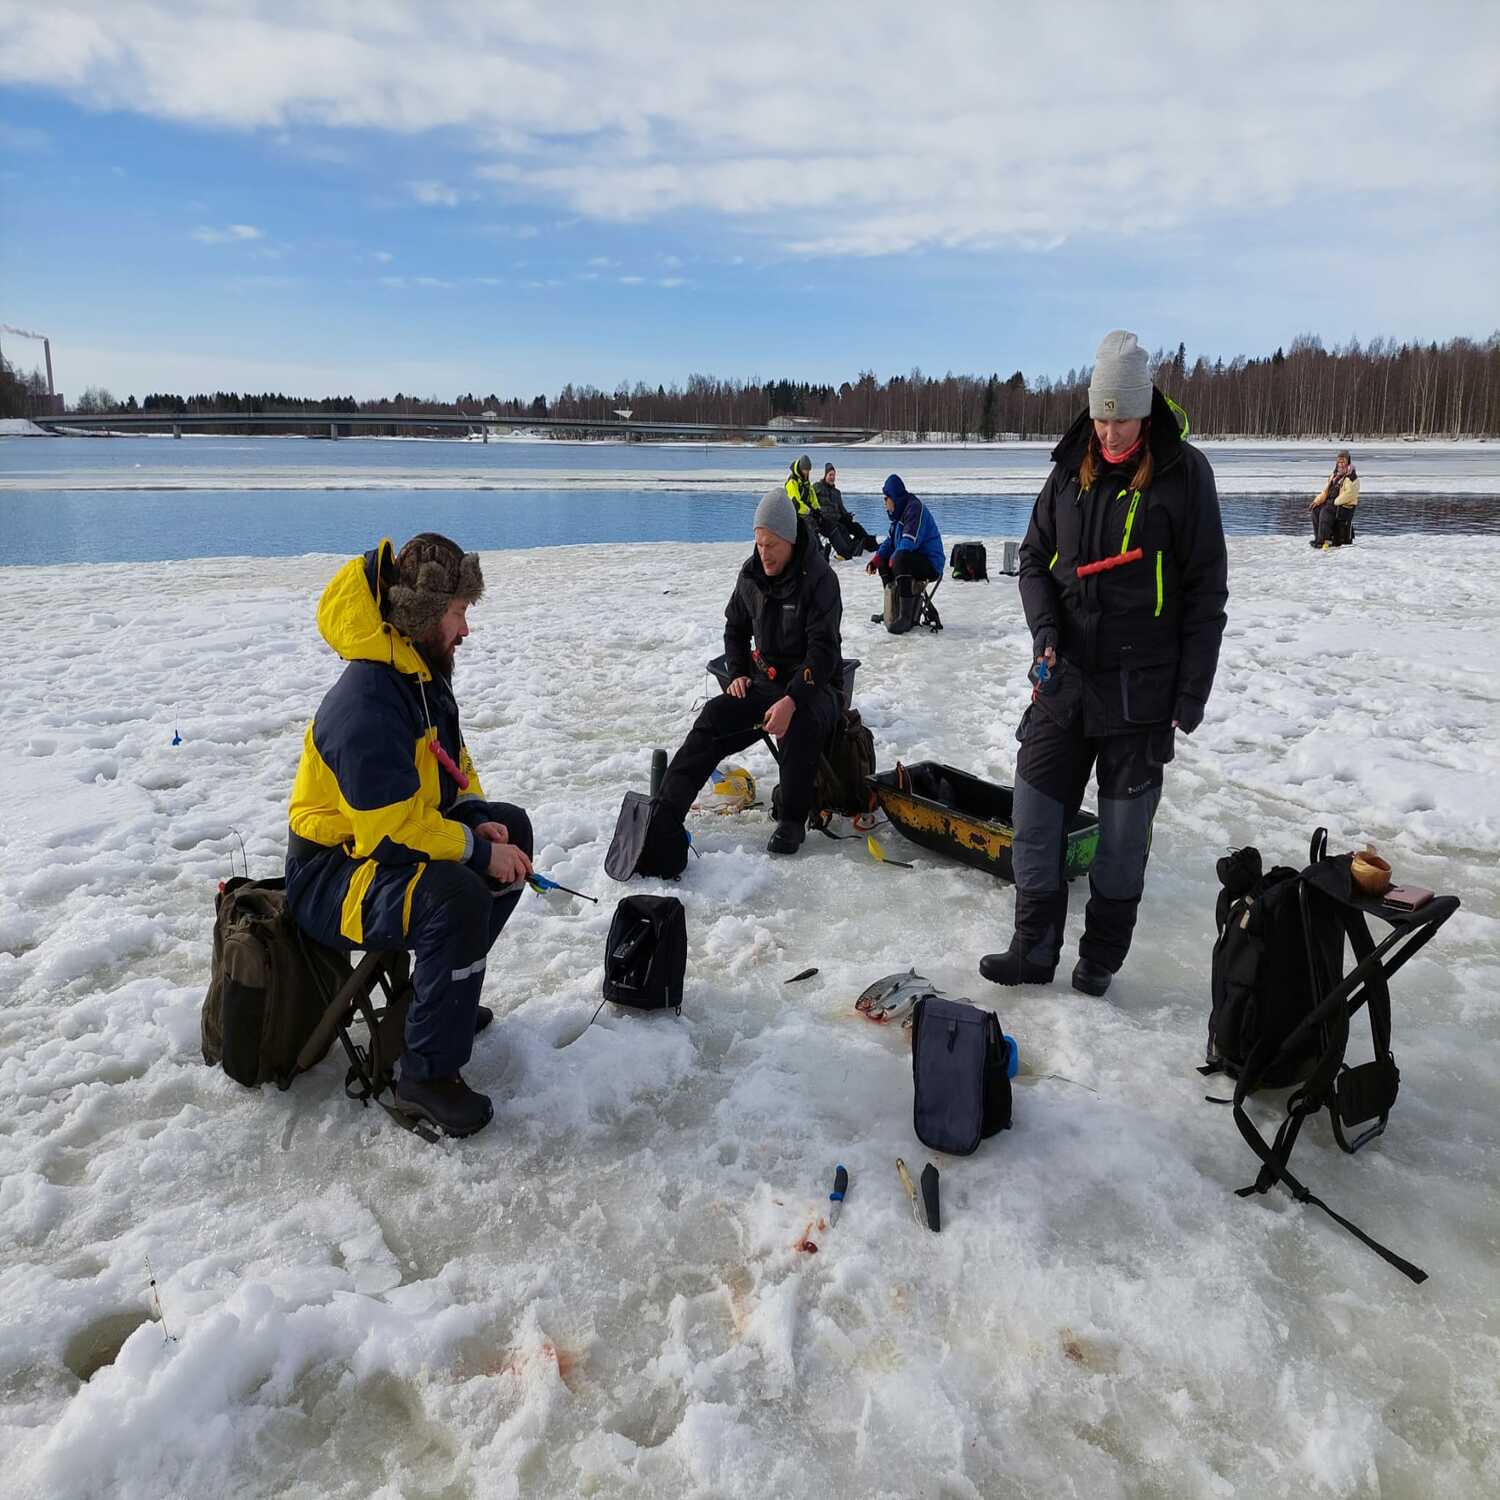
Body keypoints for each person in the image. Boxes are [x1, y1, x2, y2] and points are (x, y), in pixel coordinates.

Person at [982, 329, 1227, 997]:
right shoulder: (1067, 469)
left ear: (1146, 409)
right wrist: (1045, 635)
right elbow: (1034, 560)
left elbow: (1206, 591)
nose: (1111, 430)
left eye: (1122, 415)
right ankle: (1032, 950)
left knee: (1120, 848)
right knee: (1033, 821)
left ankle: (1098, 962)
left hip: (1140, 695)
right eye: (1101, 413)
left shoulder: (1184, 475)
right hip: (1064, 683)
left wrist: (1191, 691)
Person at [284, 533, 533, 1138]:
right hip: (331, 875)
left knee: (513, 828)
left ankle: (436, 1007)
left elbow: (454, 770)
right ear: (423, 618)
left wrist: (476, 819)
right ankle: (424, 1074)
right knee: (458, 894)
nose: (465, 631)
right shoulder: (369, 702)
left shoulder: (419, 676)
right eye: (457, 615)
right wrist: (476, 850)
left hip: (378, 849)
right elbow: (391, 834)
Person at [656, 490, 843, 855]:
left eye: (771, 545)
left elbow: (824, 651)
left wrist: (792, 698)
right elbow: (735, 627)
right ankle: (666, 811)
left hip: (816, 686)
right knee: (713, 716)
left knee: (800, 721)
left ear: (789, 540)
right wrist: (739, 670)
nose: (764, 553)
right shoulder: (751, 575)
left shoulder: (820, 579)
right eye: (759, 544)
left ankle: (791, 821)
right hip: (765, 681)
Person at [864, 474, 945, 634]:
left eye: (886, 498)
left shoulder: (914, 509)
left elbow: (909, 542)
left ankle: (905, 617)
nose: (884, 503)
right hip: (913, 560)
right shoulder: (898, 514)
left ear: (894, 497)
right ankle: (892, 610)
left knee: (900, 558)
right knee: (886, 560)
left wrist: (894, 559)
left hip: (931, 563)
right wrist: (876, 560)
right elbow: (889, 542)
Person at [814, 462, 879, 558]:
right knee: (841, 528)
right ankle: (850, 549)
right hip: (825, 520)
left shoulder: (837, 493)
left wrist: (847, 516)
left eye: (834, 475)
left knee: (856, 526)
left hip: (838, 518)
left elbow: (842, 509)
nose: (832, 477)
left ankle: (871, 545)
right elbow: (811, 501)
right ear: (825, 475)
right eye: (830, 475)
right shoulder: (817, 487)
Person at [1309, 450, 1360, 547]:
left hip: (1344, 506)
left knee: (1326, 511)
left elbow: (1350, 494)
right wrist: (1317, 501)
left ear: (1348, 462)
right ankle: (1318, 538)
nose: (1341, 464)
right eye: (1339, 462)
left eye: (1343, 462)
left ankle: (1323, 541)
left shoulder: (1352, 477)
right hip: (1331, 502)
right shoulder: (1334, 475)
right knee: (1315, 510)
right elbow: (1325, 491)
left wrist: (1335, 502)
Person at [784, 454, 822, 522]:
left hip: (805, 510)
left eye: (808, 470)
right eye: (805, 470)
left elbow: (812, 497)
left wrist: (817, 509)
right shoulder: (792, 482)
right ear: (800, 469)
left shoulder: (805, 481)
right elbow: (796, 502)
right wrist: (808, 511)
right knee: (810, 523)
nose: (807, 472)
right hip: (795, 512)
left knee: (823, 521)